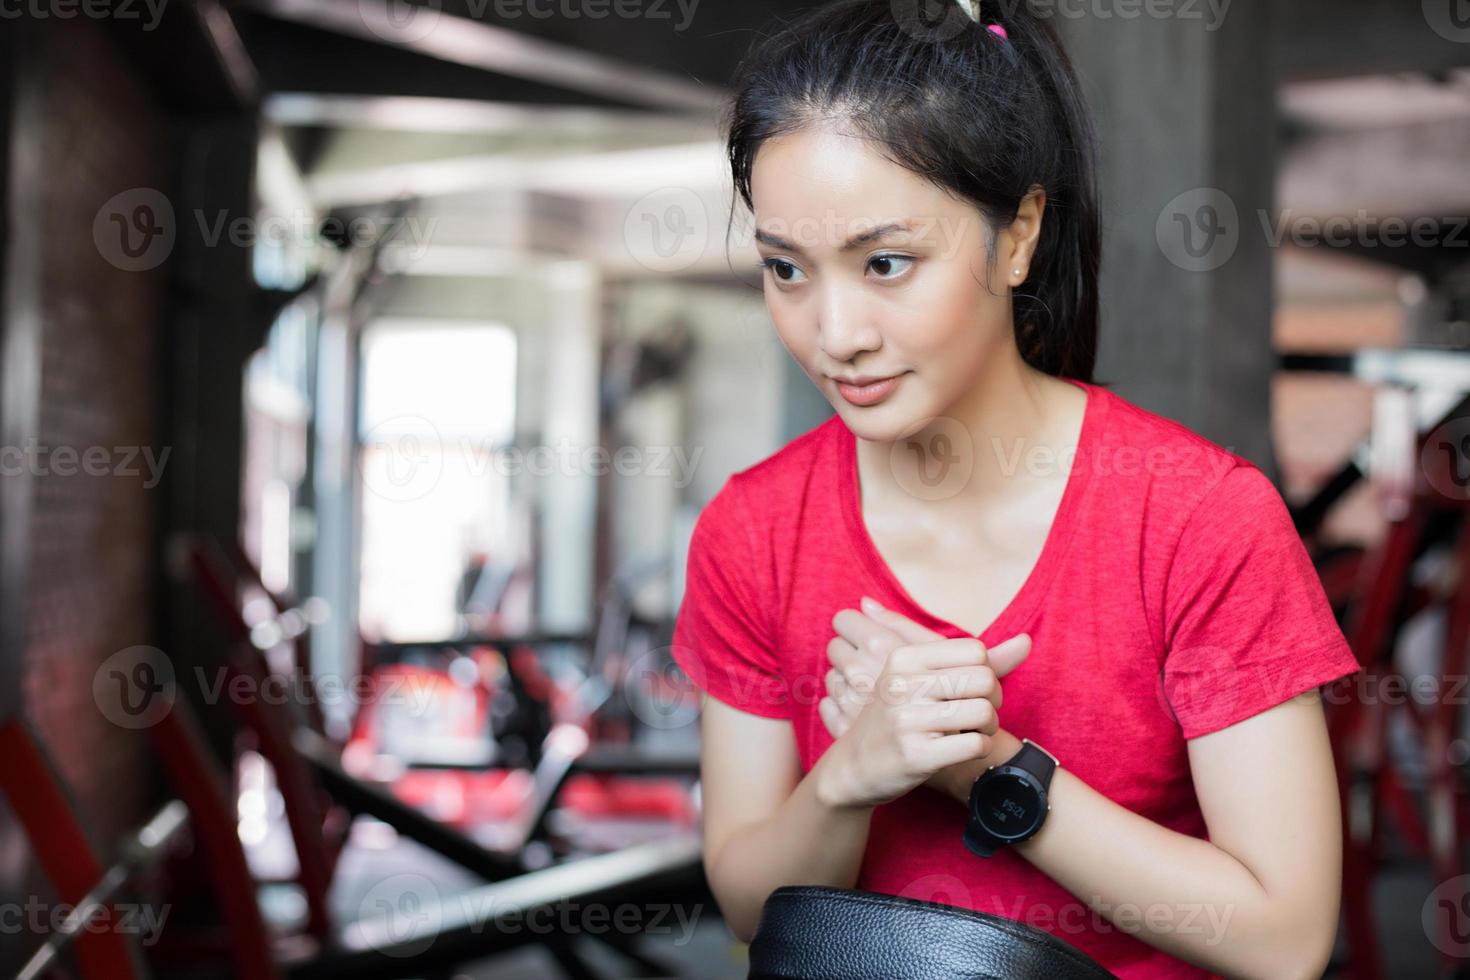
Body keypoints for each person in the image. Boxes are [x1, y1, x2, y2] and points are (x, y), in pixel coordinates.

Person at [670, 2, 1363, 978]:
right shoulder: (751, 530)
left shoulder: (1200, 517)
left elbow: (1285, 938)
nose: (835, 331)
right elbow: (750, 904)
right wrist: (851, 775)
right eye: (787, 267)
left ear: (1018, 236)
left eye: (886, 262)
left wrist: (989, 767)